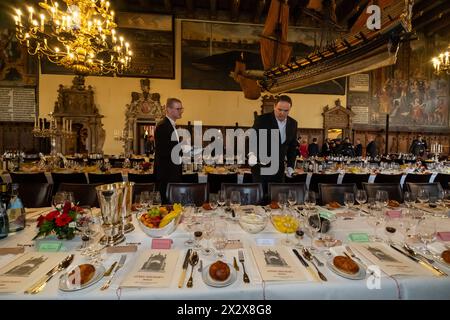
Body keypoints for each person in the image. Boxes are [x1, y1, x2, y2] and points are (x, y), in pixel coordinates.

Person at [249, 95, 298, 195]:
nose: (282, 113)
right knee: (260, 198)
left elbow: (292, 147)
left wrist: (290, 166)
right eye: (279, 109)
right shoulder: (262, 120)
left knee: (277, 198)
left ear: (290, 109)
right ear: (274, 106)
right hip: (261, 168)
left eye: (286, 110)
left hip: (279, 169)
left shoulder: (293, 123)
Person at [154, 98, 184, 203]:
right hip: (167, 175)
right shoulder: (162, 126)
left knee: (174, 207)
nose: (181, 111)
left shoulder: (171, 126)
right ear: (169, 110)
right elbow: (162, 153)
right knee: (167, 207)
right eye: (178, 109)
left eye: (181, 109)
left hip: (173, 174)